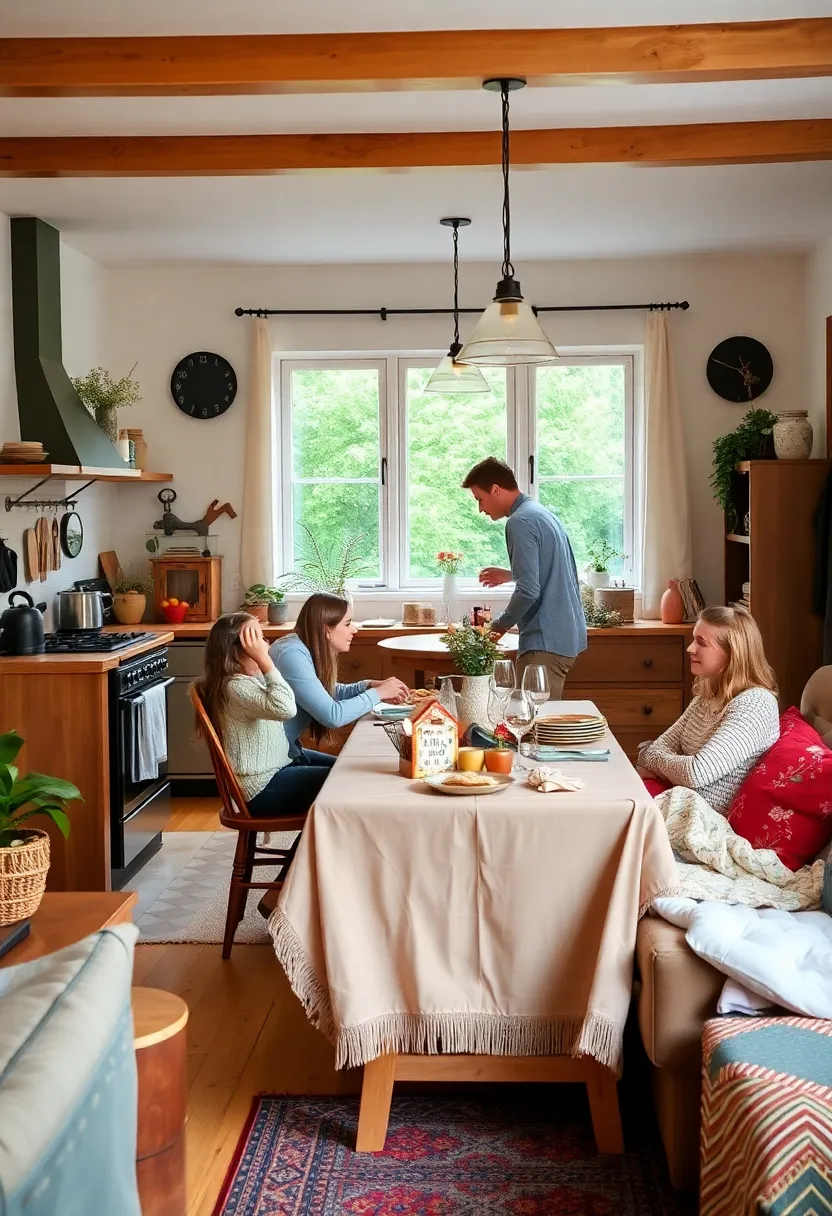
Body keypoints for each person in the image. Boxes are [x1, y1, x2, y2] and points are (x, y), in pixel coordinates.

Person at [461, 456, 587, 699]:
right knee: (536, 721)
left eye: (480, 499)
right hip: (564, 636)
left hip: (545, 640)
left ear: (495, 490)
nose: (480, 509)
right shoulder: (540, 513)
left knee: (531, 724)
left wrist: (498, 628)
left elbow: (529, 591)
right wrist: (512, 575)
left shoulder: (519, 522)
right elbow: (556, 569)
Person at [637, 605, 780, 813]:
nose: (690, 648)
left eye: (701, 643)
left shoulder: (755, 703)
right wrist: (668, 763)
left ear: (732, 653)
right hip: (678, 801)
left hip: (703, 819)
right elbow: (650, 753)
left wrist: (660, 763)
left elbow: (697, 772)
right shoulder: (708, 694)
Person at [194, 612, 329, 818]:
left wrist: (262, 664)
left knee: (345, 768)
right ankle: (313, 846)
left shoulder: (244, 680)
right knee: (342, 780)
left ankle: (312, 844)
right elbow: (286, 708)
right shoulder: (235, 687)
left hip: (278, 768)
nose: (266, 644)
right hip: (262, 788)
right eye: (258, 640)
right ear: (238, 650)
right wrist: (265, 661)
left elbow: (281, 691)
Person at [271, 592, 409, 755]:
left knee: (348, 768)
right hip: (270, 766)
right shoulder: (291, 654)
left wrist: (368, 686)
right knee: (350, 773)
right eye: (348, 623)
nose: (354, 630)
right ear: (327, 629)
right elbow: (333, 715)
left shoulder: (299, 647)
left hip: (286, 753)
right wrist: (378, 693)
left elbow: (325, 692)